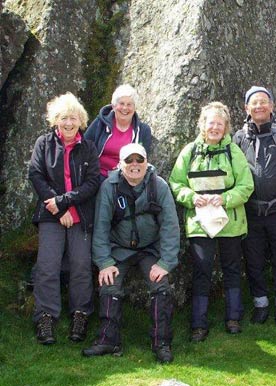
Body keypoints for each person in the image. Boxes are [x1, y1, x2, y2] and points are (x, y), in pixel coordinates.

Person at [82, 143, 180, 363]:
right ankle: (108, 340)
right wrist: (104, 262)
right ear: (120, 164)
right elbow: (101, 226)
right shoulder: (109, 187)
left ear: (146, 162)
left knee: (161, 286)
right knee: (110, 284)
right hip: (119, 248)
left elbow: (170, 227)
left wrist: (165, 263)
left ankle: (161, 342)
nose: (135, 165)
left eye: (139, 160)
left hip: (150, 249)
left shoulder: (159, 186)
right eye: (129, 160)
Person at [170, 102, 254, 342]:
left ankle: (233, 318)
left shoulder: (234, 152)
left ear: (226, 127)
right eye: (211, 123)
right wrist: (191, 197)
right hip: (199, 223)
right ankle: (198, 323)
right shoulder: (189, 151)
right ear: (202, 125)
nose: (215, 127)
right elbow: (176, 182)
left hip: (230, 222)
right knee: (202, 269)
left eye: (220, 123)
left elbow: (246, 186)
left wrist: (225, 198)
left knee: (232, 269)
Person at [28, 92, 100, 345]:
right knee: (47, 265)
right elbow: (36, 175)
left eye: (73, 118)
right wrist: (58, 209)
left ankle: (81, 313)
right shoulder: (43, 144)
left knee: (81, 264)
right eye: (63, 118)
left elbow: (92, 182)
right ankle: (45, 316)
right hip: (51, 215)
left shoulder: (88, 148)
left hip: (79, 212)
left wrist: (65, 202)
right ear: (55, 120)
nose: (68, 123)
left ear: (80, 121)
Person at [233, 86, 276, 328]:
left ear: (272, 106)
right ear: (246, 108)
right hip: (250, 213)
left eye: (263, 102)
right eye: (254, 103)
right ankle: (260, 304)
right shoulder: (239, 138)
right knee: (254, 260)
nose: (259, 106)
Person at [84, 84, 152, 180]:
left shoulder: (143, 130)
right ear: (114, 106)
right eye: (121, 104)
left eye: (129, 104)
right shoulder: (100, 123)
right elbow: (84, 147)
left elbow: (143, 160)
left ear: (135, 107)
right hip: (96, 175)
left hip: (126, 178)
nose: (125, 108)